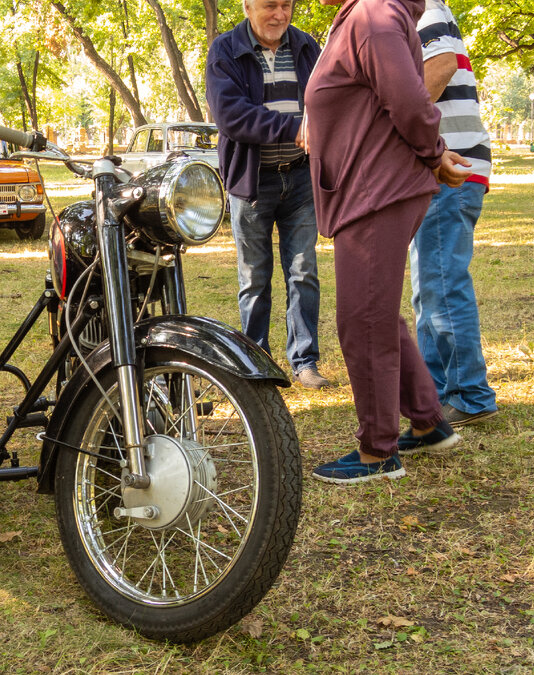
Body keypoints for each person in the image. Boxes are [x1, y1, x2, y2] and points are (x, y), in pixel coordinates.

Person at [303, 0, 470, 484]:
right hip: (370, 187)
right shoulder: (368, 14)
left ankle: (378, 451)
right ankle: (429, 422)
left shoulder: (373, 14)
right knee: (377, 311)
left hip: (378, 189)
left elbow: (409, 99)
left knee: (363, 320)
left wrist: (435, 151)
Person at [205, 0, 330, 390]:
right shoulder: (225, 50)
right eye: (269, 5)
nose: (280, 14)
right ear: (247, 6)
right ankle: (256, 362)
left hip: (301, 177)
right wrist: (292, 128)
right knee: (254, 277)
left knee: (303, 270)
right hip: (252, 182)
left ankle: (305, 363)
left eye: (287, 5)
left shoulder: (308, 46)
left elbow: (329, 101)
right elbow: (231, 116)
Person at [409, 0, 499, 429]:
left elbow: (441, 66)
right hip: (441, 170)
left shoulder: (423, 9)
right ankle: (438, 392)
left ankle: (470, 395)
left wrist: (400, 120)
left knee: (442, 285)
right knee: (429, 287)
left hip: (452, 170)